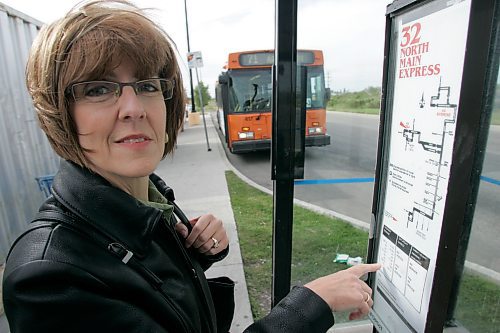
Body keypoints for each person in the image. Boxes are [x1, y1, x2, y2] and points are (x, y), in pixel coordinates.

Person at [2, 1, 381, 332]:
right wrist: (310, 305)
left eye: (148, 85)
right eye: (98, 89)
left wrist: (193, 254)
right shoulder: (49, 279)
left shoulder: (145, 205)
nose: (134, 107)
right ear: (59, 113)